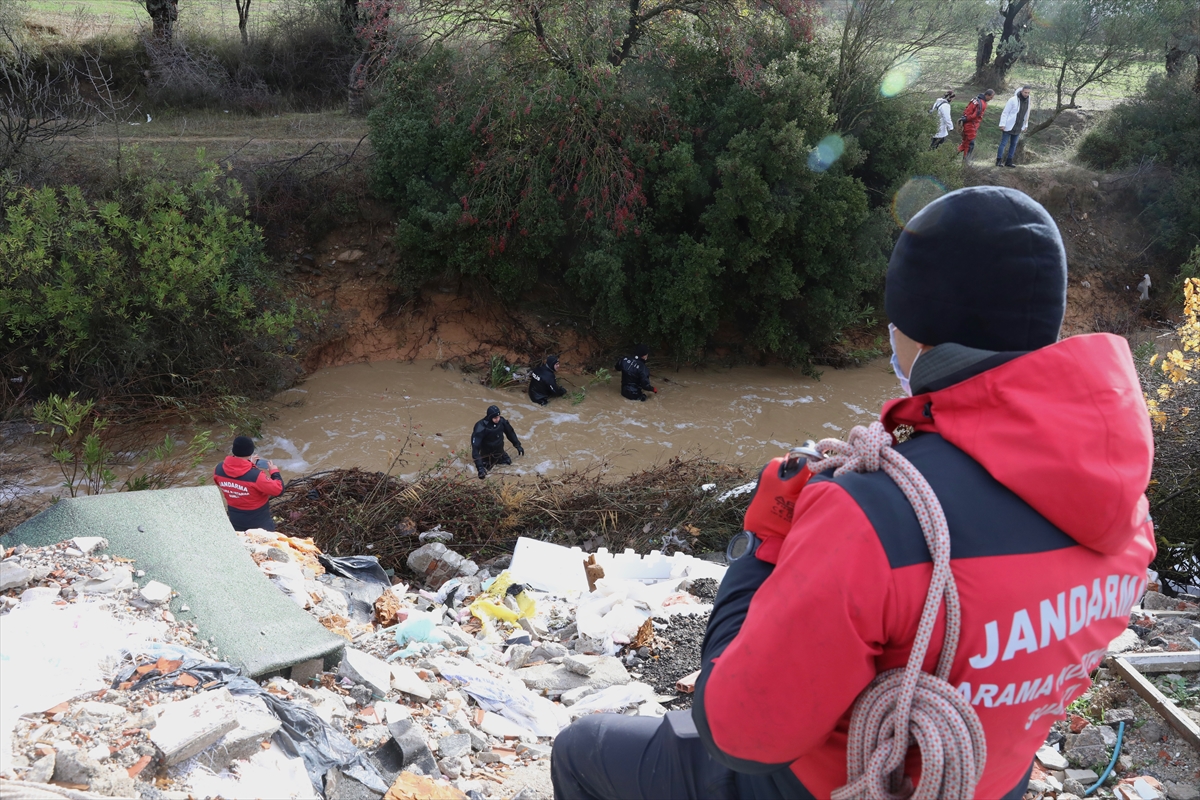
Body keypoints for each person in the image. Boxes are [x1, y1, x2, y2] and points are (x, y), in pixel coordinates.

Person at [550, 186, 1156, 800]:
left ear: (918, 338)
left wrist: (763, 546)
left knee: (581, 750)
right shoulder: (1123, 501)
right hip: (989, 779)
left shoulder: (873, 514)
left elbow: (738, 734)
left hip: (836, 785)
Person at [214, 436, 283, 532]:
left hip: (235, 518)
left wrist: (249, 464)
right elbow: (278, 490)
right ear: (251, 451)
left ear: (234, 450)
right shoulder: (256, 476)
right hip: (258, 520)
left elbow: (221, 482)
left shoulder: (219, 469)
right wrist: (274, 471)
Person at [471, 405, 523, 479]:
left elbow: (510, 433)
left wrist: (517, 445)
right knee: (489, 476)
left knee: (510, 467)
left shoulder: (502, 422)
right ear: (490, 417)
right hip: (487, 458)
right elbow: (475, 449)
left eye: (498, 416)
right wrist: (480, 468)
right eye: (495, 418)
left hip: (500, 454)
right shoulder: (480, 427)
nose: (498, 419)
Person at [997, 85, 1032, 167]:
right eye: (1025, 92)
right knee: (1003, 143)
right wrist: (1002, 124)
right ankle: (998, 161)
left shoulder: (1028, 101)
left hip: (1018, 126)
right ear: (1021, 91)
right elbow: (1005, 112)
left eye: (1028, 93)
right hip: (1009, 125)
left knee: (1014, 144)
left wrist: (1025, 125)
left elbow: (1027, 114)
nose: (1027, 94)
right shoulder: (1013, 100)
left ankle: (1009, 161)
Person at [957, 89, 995, 164]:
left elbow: (966, 109)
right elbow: (975, 115)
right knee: (970, 144)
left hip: (966, 123)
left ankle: (949, 156)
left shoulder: (975, 99)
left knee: (965, 143)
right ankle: (965, 163)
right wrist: (966, 119)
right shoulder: (982, 104)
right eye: (991, 97)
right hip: (971, 125)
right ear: (987, 95)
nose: (991, 99)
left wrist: (964, 118)